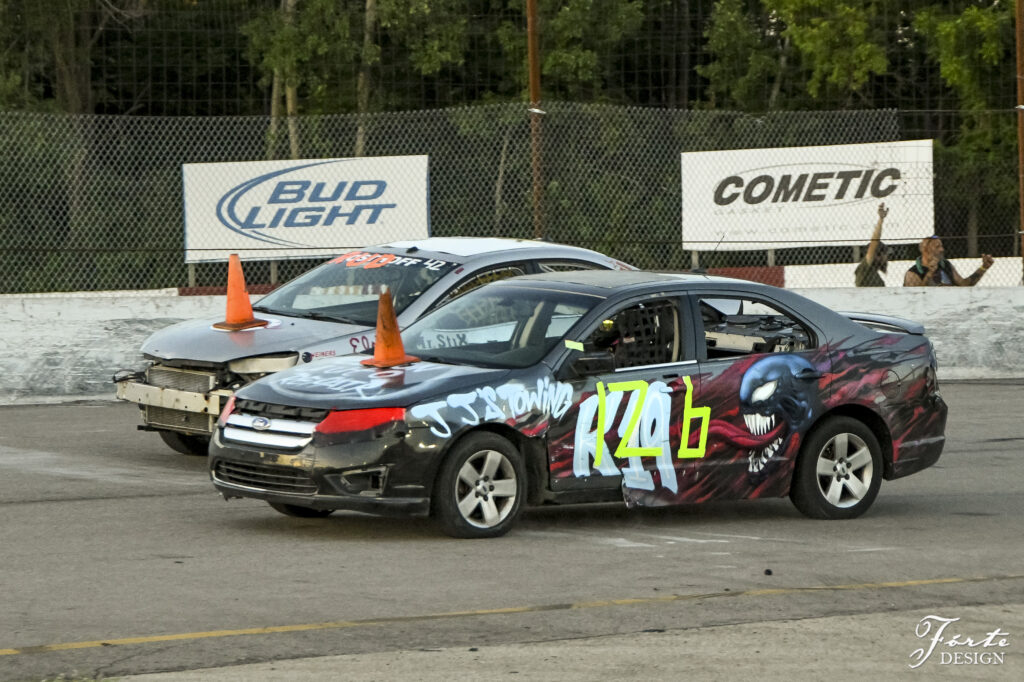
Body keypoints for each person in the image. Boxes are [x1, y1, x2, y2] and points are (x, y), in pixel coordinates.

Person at [903, 235, 994, 286]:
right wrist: (929, 274)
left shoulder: (946, 265)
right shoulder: (913, 273)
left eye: (941, 246)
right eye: (937, 247)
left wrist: (983, 268)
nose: (942, 250)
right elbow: (914, 296)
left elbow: (964, 285)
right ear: (926, 250)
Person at [854, 202, 891, 287]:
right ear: (877, 255)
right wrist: (881, 220)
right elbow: (874, 242)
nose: (886, 258)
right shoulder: (866, 268)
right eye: (885, 254)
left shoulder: (873, 272)